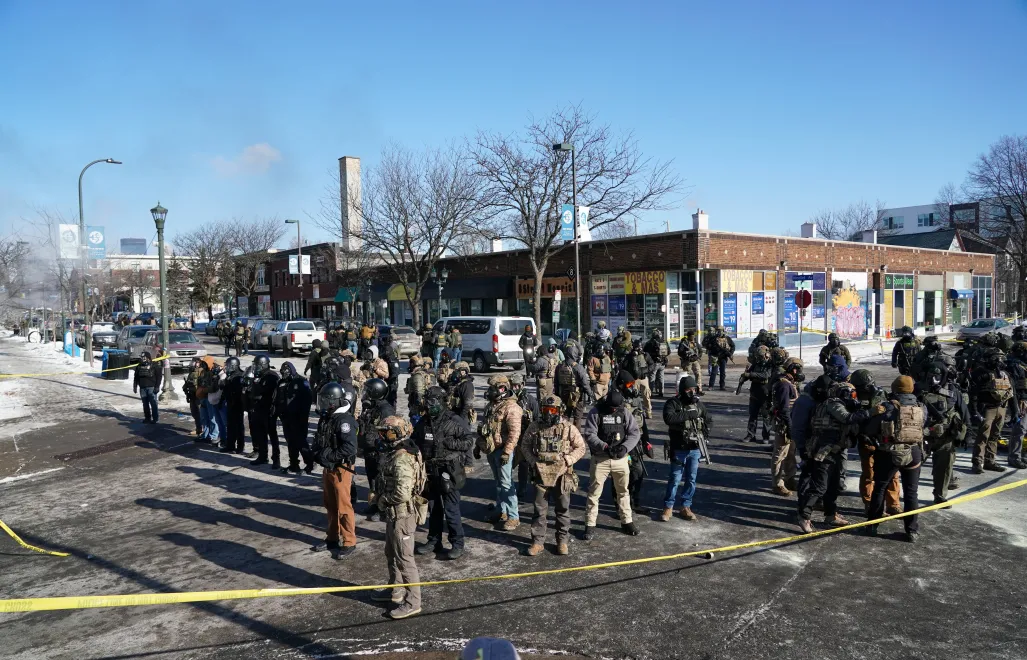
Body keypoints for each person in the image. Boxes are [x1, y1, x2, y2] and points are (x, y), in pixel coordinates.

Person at [370, 415, 427, 620]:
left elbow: (402, 492)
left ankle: (413, 602)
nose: (383, 436)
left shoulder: (402, 457)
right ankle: (396, 589)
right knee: (391, 552)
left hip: (401, 514)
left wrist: (381, 500)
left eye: (387, 432)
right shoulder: (400, 451)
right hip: (394, 514)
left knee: (405, 559)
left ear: (398, 433)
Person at [796, 381, 871, 533]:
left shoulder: (840, 405)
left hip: (835, 450)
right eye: (852, 394)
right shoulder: (833, 403)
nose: (854, 398)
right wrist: (870, 412)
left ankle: (830, 515)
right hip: (824, 451)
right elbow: (846, 418)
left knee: (834, 486)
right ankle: (804, 516)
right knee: (820, 487)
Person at [865, 376, 930, 542]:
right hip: (914, 451)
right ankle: (912, 530)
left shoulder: (887, 407)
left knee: (880, 487)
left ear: (895, 389)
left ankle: (872, 525)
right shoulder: (921, 407)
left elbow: (871, 429)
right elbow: (924, 425)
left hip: (889, 452)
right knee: (911, 492)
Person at [519, 394, 586, 556]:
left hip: (562, 475)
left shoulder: (568, 428)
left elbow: (581, 447)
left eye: (553, 410)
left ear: (559, 411)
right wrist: (533, 461)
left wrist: (568, 460)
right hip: (540, 475)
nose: (549, 413)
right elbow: (525, 445)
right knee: (539, 510)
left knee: (562, 509)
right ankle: (537, 542)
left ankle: (562, 541)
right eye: (546, 410)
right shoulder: (535, 426)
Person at [414, 386, 476, 560]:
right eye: (427, 402)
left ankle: (457, 543)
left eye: (432, 402)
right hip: (430, 471)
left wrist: (450, 443)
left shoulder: (453, 420)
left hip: (449, 470)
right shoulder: (424, 421)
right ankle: (434, 541)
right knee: (433, 508)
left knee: (451, 509)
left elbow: (468, 441)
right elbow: (415, 440)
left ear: (441, 402)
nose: (429, 405)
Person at [582, 388, 642, 539]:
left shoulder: (624, 412)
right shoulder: (596, 412)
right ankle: (590, 524)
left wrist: (625, 447)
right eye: (611, 408)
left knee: (623, 492)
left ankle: (627, 521)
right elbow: (589, 434)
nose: (614, 410)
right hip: (601, 459)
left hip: (620, 459)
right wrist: (604, 446)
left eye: (616, 408)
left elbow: (634, 432)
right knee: (594, 493)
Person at [310, 381, 359, 560]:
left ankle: (349, 541)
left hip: (341, 469)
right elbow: (320, 439)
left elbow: (350, 448)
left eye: (325, 400)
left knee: (343, 506)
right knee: (330, 504)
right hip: (328, 468)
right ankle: (332, 537)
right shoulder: (327, 418)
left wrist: (329, 455)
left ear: (333, 401)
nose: (322, 404)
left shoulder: (344, 420)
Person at [849, 369, 901, 515]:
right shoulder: (853, 398)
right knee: (869, 473)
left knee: (892, 473)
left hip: (884, 439)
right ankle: (870, 503)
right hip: (866, 439)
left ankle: (893, 504)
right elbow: (853, 419)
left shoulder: (881, 394)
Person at [476, 375, 524, 530]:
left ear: (502, 389)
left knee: (506, 483)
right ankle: (501, 510)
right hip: (491, 449)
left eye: (493, 388)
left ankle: (514, 516)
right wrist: (478, 446)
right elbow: (485, 427)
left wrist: (507, 452)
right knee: (498, 482)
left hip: (502, 451)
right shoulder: (492, 406)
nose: (490, 391)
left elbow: (514, 433)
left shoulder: (512, 408)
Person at [661, 375, 711, 521]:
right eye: (689, 389)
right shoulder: (673, 403)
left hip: (695, 449)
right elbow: (668, 418)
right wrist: (687, 415)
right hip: (679, 447)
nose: (692, 392)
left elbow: (709, 420)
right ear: (683, 390)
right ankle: (668, 507)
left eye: (694, 389)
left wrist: (704, 434)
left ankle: (686, 506)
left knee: (691, 479)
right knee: (675, 478)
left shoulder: (698, 405)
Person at [919, 361, 970, 504]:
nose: (933, 379)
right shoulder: (918, 389)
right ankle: (909, 498)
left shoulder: (953, 390)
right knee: (912, 467)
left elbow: (964, 413)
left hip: (946, 437)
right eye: (930, 375)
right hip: (923, 436)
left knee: (944, 469)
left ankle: (940, 496)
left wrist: (967, 434)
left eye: (937, 376)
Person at [968, 347, 1012, 474]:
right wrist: (975, 411)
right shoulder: (980, 373)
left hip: (1001, 408)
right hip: (987, 408)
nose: (999, 360)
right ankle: (977, 462)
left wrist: (1014, 411)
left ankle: (990, 461)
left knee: (995, 436)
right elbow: (973, 394)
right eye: (996, 358)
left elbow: (1011, 392)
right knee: (983, 436)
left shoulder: (1004, 373)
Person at [358, 378, 396, 521]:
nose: (365, 393)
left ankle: (382, 509)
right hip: (370, 450)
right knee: (372, 480)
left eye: (368, 391)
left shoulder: (385, 410)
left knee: (382, 481)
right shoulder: (371, 406)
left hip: (380, 452)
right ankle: (374, 504)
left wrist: (383, 452)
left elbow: (389, 434)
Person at [616, 370, 653, 513]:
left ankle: (634, 502)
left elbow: (642, 421)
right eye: (628, 384)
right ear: (621, 385)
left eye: (632, 384)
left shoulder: (636, 399)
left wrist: (647, 441)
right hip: (621, 443)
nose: (632, 387)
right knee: (620, 475)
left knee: (638, 472)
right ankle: (619, 506)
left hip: (636, 442)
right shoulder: (614, 399)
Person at [770, 358, 804, 496]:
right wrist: (790, 427)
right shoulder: (784, 385)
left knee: (790, 453)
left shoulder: (789, 383)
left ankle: (790, 478)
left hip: (792, 422)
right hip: (784, 424)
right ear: (794, 369)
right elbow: (784, 409)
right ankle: (777, 484)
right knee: (780, 455)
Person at [275, 361, 315, 475]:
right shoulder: (282, 382)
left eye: (286, 372)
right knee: (290, 442)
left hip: (299, 418)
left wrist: (303, 416)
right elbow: (278, 398)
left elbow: (308, 399)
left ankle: (309, 464)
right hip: (286, 417)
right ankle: (293, 464)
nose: (284, 374)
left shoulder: (301, 381)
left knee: (301, 442)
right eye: (282, 372)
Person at [245, 355, 281, 468]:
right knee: (260, 434)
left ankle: (276, 459)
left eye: (257, 365)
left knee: (272, 435)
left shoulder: (271, 376)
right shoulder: (259, 375)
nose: (255, 367)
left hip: (268, 410)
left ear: (263, 364)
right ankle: (262, 456)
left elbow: (271, 393)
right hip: (258, 409)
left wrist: (258, 390)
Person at [509, 372, 539, 500]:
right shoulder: (507, 400)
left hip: (524, 437)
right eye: (512, 386)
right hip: (510, 437)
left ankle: (522, 489)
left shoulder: (530, 401)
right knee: (507, 464)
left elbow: (537, 419)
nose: (515, 388)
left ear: (522, 385)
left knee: (524, 464)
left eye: (517, 386)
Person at [736, 344, 773, 444]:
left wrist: (750, 374)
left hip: (765, 393)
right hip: (755, 392)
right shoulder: (756, 363)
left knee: (766, 416)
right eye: (758, 356)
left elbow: (766, 375)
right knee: (753, 415)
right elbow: (749, 373)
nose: (759, 358)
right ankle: (750, 435)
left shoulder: (770, 364)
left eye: (761, 356)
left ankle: (766, 436)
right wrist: (744, 377)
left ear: (766, 355)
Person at [555, 343, 591, 429]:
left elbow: (556, 382)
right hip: (576, 396)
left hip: (563, 394)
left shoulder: (559, 366)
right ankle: (576, 434)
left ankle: (564, 433)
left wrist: (557, 394)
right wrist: (590, 393)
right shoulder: (578, 367)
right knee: (577, 417)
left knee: (565, 416)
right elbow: (585, 383)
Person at [219, 356, 247, 454]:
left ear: (234, 365)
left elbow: (241, 391)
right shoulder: (229, 375)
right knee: (230, 426)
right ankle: (230, 445)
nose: (227, 367)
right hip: (230, 403)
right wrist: (222, 399)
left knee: (239, 426)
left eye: (228, 365)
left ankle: (240, 446)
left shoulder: (240, 376)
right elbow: (226, 390)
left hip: (238, 404)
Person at [622, 339, 653, 418]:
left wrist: (645, 371)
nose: (638, 349)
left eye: (639, 347)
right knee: (632, 396)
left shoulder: (645, 355)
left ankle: (648, 412)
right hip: (633, 380)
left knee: (646, 396)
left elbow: (651, 365)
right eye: (636, 347)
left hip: (643, 379)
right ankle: (633, 412)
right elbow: (624, 367)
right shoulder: (629, 356)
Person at [132, 351, 162, 424]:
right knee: (145, 404)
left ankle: (155, 418)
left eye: (144, 357)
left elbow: (159, 376)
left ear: (148, 358)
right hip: (142, 388)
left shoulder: (154, 365)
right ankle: (147, 418)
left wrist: (157, 386)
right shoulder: (139, 366)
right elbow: (136, 377)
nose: (143, 359)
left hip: (152, 387)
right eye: (142, 357)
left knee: (153, 403)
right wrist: (135, 386)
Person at [702, 326, 735, 390]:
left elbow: (733, 346)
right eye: (718, 331)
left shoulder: (727, 338)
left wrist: (730, 353)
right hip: (715, 357)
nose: (719, 332)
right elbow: (708, 345)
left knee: (722, 372)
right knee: (714, 372)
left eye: (720, 330)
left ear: (723, 331)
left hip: (723, 357)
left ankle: (722, 386)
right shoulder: (713, 338)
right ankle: (711, 386)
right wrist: (713, 350)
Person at [643, 329, 671, 397]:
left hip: (654, 362)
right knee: (661, 377)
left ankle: (650, 393)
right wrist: (663, 356)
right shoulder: (664, 341)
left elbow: (645, 352)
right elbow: (669, 351)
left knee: (652, 377)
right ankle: (661, 392)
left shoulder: (650, 342)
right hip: (662, 362)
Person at [405, 355, 433, 421]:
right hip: (421, 407)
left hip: (417, 410)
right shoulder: (423, 374)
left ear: (413, 364)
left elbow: (419, 393)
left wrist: (417, 407)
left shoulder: (417, 376)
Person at [677, 330, 704, 395]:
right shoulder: (684, 343)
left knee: (698, 374)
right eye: (691, 336)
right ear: (688, 336)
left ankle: (699, 389)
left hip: (695, 361)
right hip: (687, 361)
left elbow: (700, 350)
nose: (693, 337)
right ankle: (687, 389)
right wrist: (686, 355)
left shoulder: (695, 343)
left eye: (693, 336)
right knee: (686, 376)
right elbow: (680, 352)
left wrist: (697, 357)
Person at [182, 357, 202, 436]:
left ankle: (202, 429)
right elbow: (188, 382)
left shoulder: (201, 372)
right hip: (192, 395)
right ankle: (198, 428)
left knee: (200, 413)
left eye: (193, 362)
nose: (192, 364)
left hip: (198, 395)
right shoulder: (192, 372)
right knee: (194, 413)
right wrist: (185, 388)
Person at [382, 340, 402, 408]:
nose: (386, 352)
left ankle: (392, 410)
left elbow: (396, 372)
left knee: (392, 398)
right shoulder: (385, 358)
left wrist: (391, 379)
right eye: (385, 351)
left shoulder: (393, 360)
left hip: (392, 382)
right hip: (385, 381)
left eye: (387, 351)